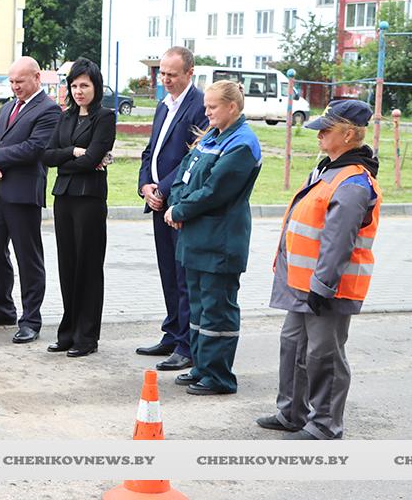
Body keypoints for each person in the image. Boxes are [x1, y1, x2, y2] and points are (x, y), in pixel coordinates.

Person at [257, 100, 381, 440]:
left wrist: (322, 286)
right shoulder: (329, 169)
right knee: (293, 344)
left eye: (327, 130)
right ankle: (292, 413)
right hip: (303, 282)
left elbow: (337, 241)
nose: (319, 135)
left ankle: (325, 424)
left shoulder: (354, 182)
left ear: (350, 134)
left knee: (323, 354)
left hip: (328, 287)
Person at [163, 80, 262, 395]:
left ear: (232, 107)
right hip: (196, 238)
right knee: (198, 308)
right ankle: (201, 366)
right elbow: (183, 173)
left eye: (212, 107)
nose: (206, 113)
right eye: (206, 106)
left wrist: (180, 211)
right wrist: (175, 204)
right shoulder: (212, 137)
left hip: (220, 241)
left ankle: (218, 376)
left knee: (217, 308)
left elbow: (215, 191)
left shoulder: (242, 144)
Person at [0, 56, 61, 344]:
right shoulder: (8, 107)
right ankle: (3, 308)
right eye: (11, 82)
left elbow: (35, 148)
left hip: (24, 194)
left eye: (19, 82)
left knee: (28, 258)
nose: (15, 87)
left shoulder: (49, 110)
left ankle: (31, 320)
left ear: (37, 77)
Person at [136, 46, 208, 371]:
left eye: (172, 75)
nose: (165, 79)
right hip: (156, 202)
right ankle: (172, 331)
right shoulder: (163, 106)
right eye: (162, 73)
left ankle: (186, 345)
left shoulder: (199, 106)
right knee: (167, 270)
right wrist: (144, 185)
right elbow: (150, 151)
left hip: (178, 203)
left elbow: (191, 157)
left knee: (182, 276)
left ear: (189, 73)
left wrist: (163, 189)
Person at [41, 57, 115, 357]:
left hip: (90, 199)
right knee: (68, 266)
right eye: (74, 85)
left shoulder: (105, 117)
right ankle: (68, 332)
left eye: (84, 85)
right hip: (64, 198)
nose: (78, 91)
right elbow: (47, 156)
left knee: (88, 267)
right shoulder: (65, 117)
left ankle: (87, 336)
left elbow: (94, 157)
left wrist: (69, 161)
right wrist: (72, 152)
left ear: (95, 86)